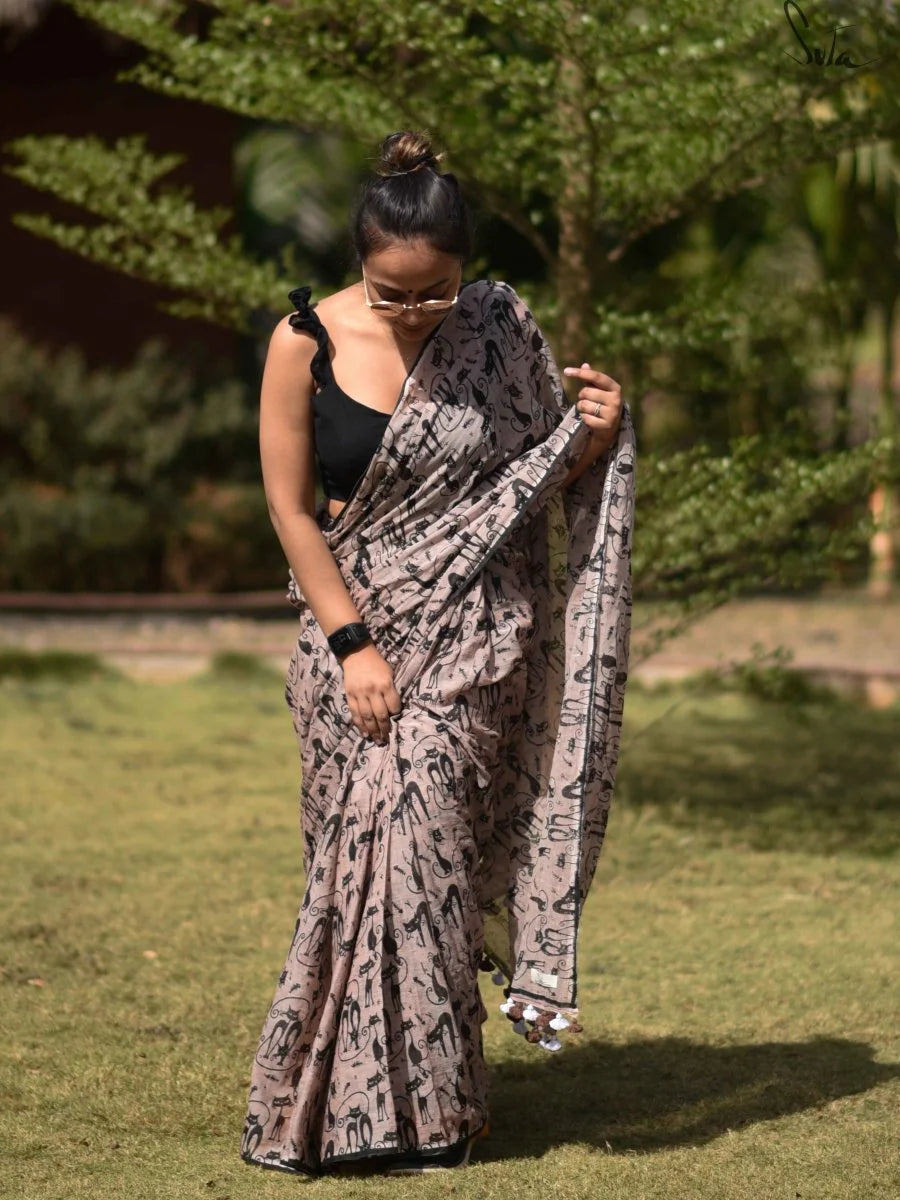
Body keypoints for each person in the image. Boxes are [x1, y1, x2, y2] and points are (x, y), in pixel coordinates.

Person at [239, 130, 635, 1179]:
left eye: (438, 293)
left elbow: (528, 484)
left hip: (472, 640)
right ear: (360, 262)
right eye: (393, 294)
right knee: (352, 865)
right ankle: (333, 1108)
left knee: (427, 859)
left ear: (470, 267)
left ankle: (437, 1112)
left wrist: (593, 435)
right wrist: (355, 645)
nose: (418, 314)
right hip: (347, 637)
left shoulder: (502, 328)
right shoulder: (302, 340)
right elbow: (289, 510)